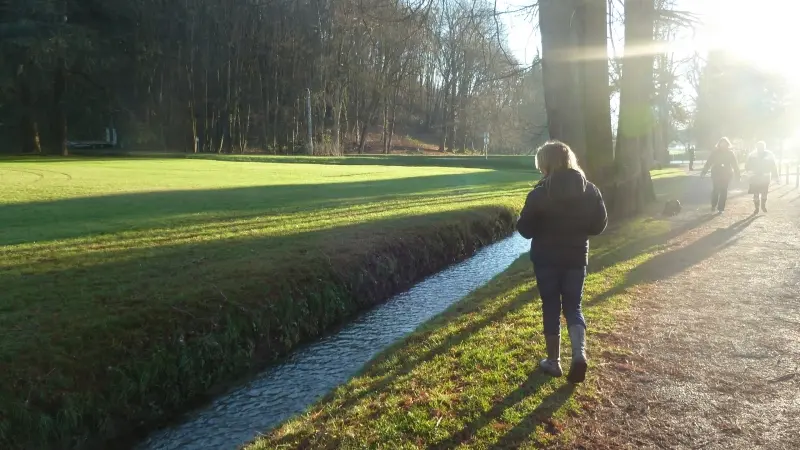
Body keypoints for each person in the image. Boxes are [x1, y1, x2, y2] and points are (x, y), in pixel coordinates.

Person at [516, 140, 608, 384]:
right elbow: (599, 225)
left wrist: (526, 219)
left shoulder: (540, 192)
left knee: (551, 306)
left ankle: (553, 362)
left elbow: (525, 229)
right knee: (573, 306)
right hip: (576, 257)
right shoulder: (589, 189)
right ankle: (579, 355)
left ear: (545, 164)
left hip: (546, 259)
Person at [701, 137, 740, 213]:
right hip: (716, 173)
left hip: (726, 173)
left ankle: (721, 208)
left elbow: (735, 165)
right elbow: (708, 163)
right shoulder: (715, 152)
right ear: (719, 144)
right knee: (716, 190)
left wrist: (738, 175)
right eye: (722, 143)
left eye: (725, 143)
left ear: (727, 144)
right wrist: (703, 172)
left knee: (724, 190)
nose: (723, 145)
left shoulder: (730, 153)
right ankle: (713, 205)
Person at [746, 141, 779, 213]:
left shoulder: (769, 155)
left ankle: (763, 205)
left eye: (762, 146)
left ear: (764, 147)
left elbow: (773, 166)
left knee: (764, 192)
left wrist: (776, 176)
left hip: (765, 176)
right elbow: (748, 165)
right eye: (759, 146)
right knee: (756, 193)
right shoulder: (752, 155)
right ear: (756, 147)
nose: (760, 148)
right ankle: (756, 208)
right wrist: (749, 172)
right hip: (755, 176)